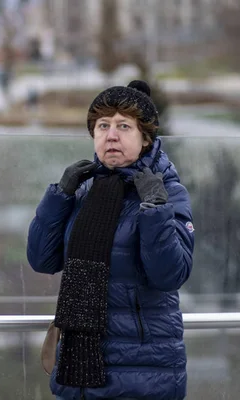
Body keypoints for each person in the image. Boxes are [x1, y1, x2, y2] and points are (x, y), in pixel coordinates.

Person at [27, 80, 194, 400]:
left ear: (146, 138)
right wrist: (59, 196)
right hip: (79, 373)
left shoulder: (169, 192)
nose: (111, 135)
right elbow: (41, 259)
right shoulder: (86, 190)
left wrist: (155, 210)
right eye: (103, 125)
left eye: (123, 126)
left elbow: (170, 274)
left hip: (144, 375)